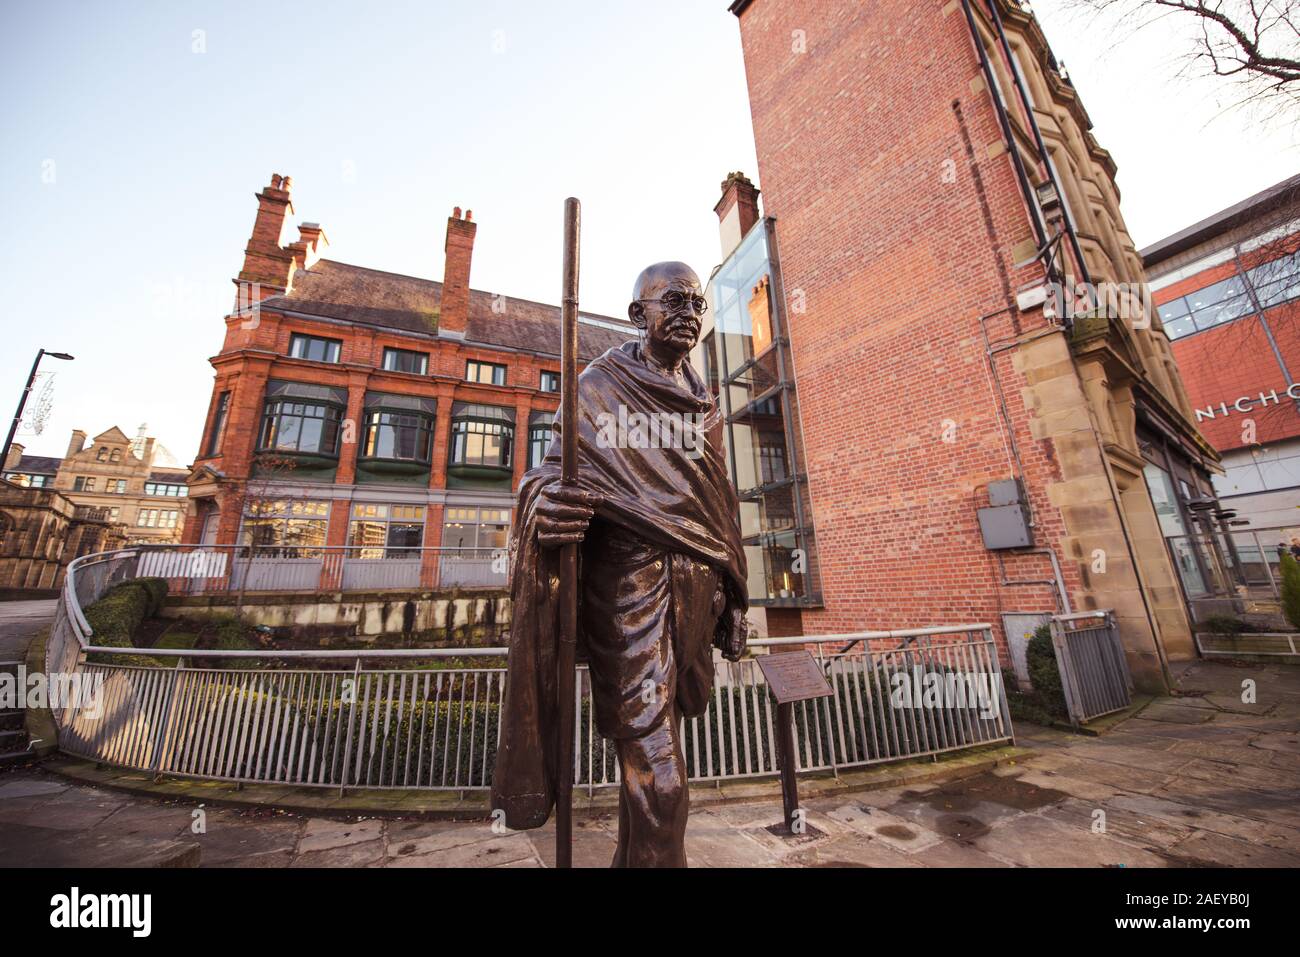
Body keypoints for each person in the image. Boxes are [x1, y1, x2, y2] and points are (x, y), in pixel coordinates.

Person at [491, 261, 748, 867]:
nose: (688, 312)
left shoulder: (702, 399)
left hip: (698, 588)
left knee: (659, 738)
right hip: (629, 582)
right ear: (639, 315)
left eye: (696, 303)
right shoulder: (600, 385)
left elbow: (721, 501)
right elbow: (551, 470)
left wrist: (736, 595)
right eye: (673, 301)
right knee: (659, 766)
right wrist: (545, 500)